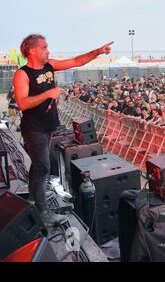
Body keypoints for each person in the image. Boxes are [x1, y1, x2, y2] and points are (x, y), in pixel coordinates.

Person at [13, 34, 113, 227]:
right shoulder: (22, 74)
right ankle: (42, 212)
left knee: (39, 164)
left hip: (48, 126)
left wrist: (97, 52)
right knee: (43, 166)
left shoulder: (49, 65)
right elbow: (22, 103)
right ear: (32, 50)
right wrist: (48, 93)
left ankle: (35, 195)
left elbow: (76, 61)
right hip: (33, 128)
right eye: (44, 47)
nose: (48, 50)